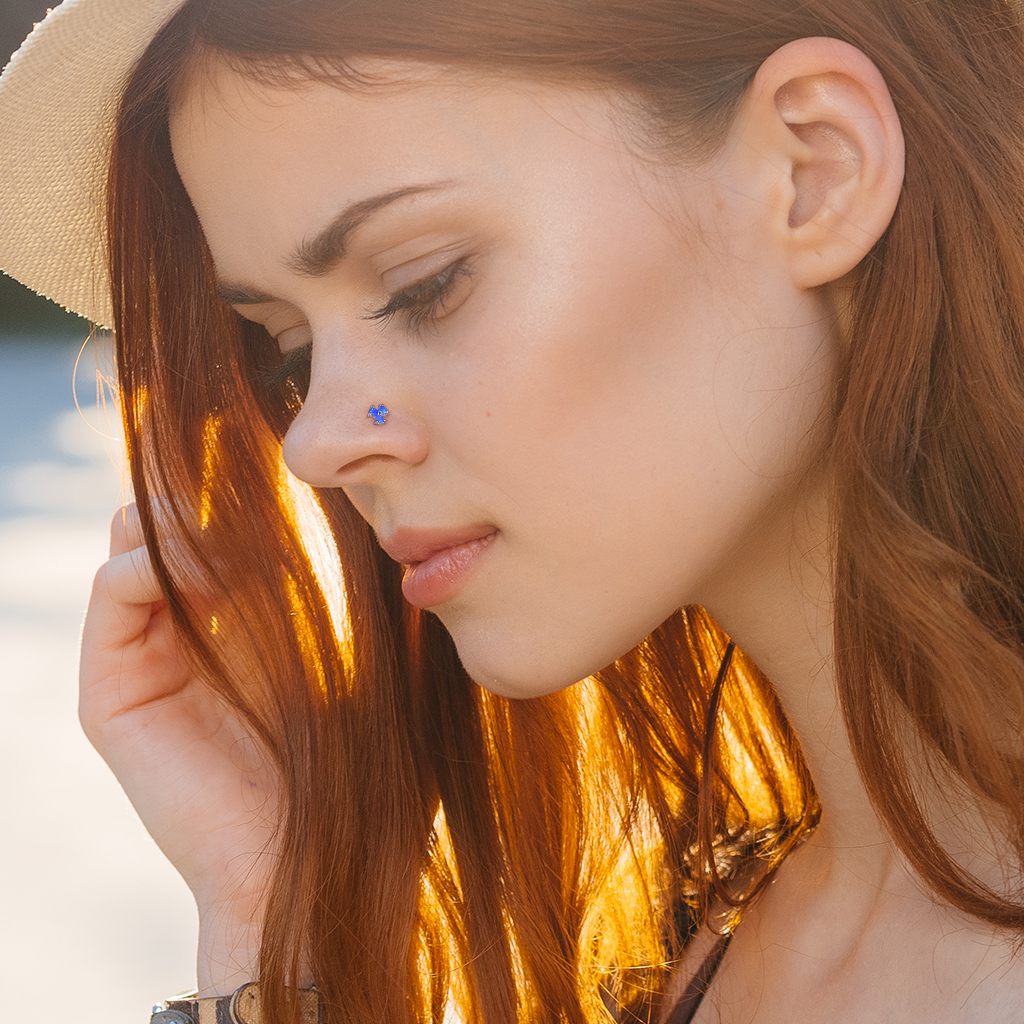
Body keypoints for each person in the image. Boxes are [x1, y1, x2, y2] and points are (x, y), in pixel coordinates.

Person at [3, 0, 1024, 1020]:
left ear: (814, 170)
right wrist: (272, 914)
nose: (314, 441)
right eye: (291, 351)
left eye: (422, 283)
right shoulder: (702, 941)